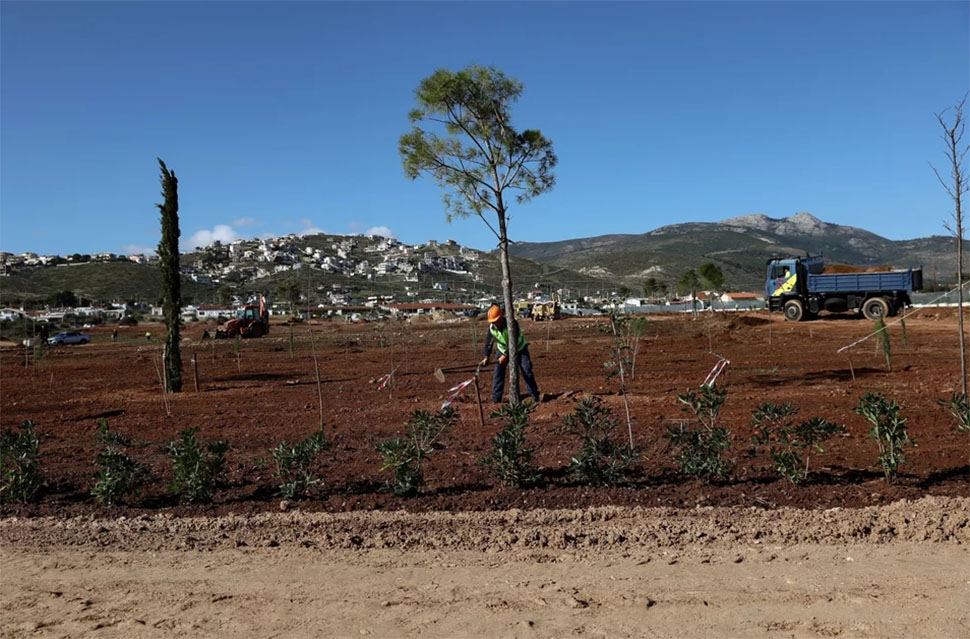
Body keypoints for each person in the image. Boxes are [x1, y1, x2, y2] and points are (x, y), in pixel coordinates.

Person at [480, 304, 540, 404]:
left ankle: (534, 395)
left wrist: (506, 355)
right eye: (492, 322)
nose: (494, 323)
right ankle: (496, 398)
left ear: (501, 318)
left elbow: (514, 341)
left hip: (520, 348)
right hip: (502, 350)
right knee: (498, 372)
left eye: (495, 321)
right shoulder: (492, 328)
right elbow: (488, 343)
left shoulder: (512, 324)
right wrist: (486, 356)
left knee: (526, 370)